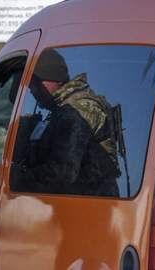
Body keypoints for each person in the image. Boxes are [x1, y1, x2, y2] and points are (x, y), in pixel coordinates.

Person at [12, 49, 120, 196]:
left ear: (50, 80)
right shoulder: (63, 109)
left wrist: (15, 178)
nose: (33, 91)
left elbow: (62, 173)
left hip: (88, 209)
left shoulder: (77, 111)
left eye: (35, 85)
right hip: (78, 207)